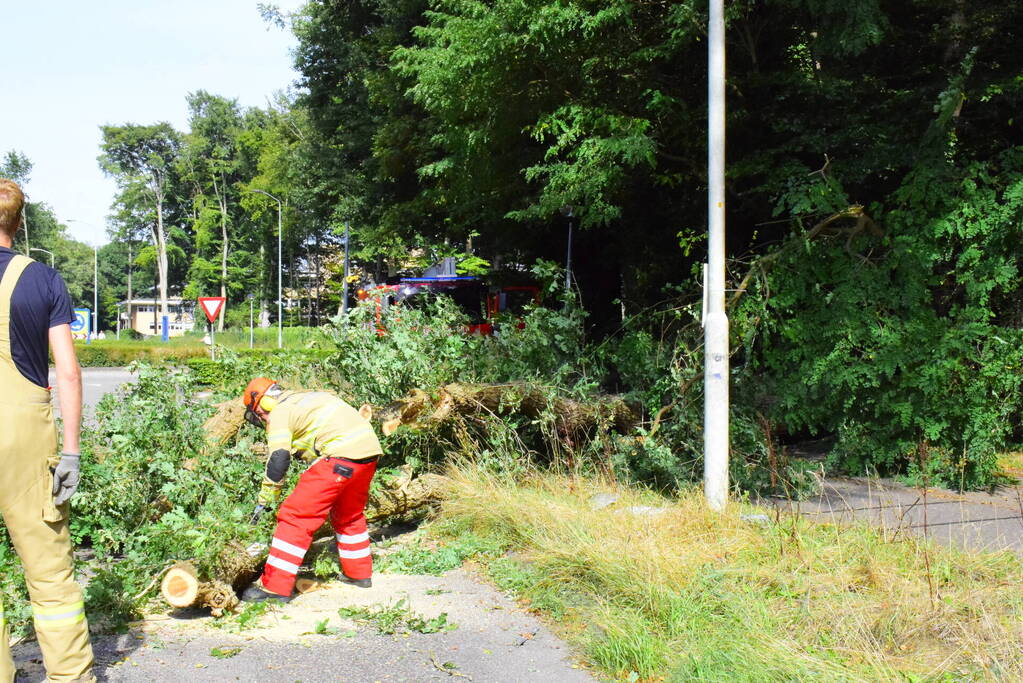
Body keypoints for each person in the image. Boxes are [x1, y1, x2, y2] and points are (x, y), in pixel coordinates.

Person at [0, 179, 94, 682]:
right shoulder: (44, 280)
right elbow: (70, 372)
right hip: (25, 433)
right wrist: (72, 454)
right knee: (51, 572)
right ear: (17, 224)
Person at [240, 377, 383, 602]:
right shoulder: (306, 399)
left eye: (260, 415)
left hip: (340, 456)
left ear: (264, 404)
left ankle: (275, 588)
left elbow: (278, 460)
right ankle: (359, 574)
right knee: (349, 515)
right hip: (368, 454)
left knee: (295, 516)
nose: (262, 420)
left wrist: (265, 501)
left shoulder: (279, 412)